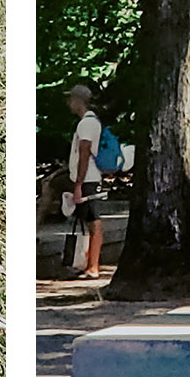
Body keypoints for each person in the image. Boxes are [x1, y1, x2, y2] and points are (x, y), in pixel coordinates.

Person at [64, 84, 108, 278]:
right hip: (88, 178)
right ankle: (89, 262)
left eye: (70, 99)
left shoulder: (87, 124)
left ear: (78, 100)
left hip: (88, 179)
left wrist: (79, 185)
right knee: (89, 220)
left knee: (93, 221)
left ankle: (93, 266)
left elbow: (84, 153)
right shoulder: (89, 122)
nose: (68, 103)